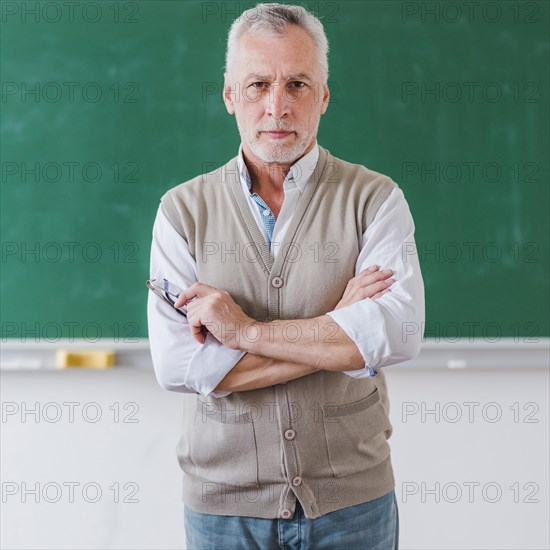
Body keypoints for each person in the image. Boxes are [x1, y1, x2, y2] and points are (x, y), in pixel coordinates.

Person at [147, 3, 424, 549]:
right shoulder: (182, 211)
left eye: (298, 84)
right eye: (257, 85)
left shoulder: (375, 199)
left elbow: (396, 334)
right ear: (230, 97)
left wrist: (246, 334)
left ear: (323, 96)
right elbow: (180, 366)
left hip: (352, 500)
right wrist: (341, 327)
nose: (277, 106)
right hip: (224, 505)